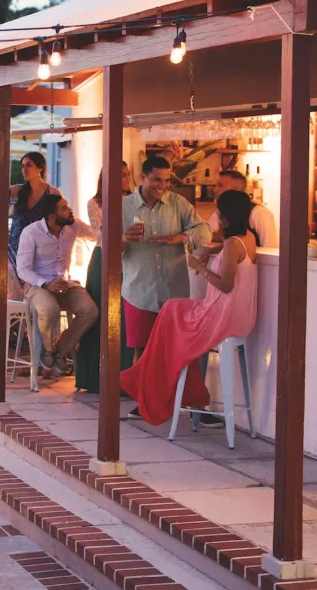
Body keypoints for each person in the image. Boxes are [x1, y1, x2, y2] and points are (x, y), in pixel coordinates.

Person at [119, 191, 258, 425]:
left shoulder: (233, 243)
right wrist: (209, 251)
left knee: (171, 313)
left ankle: (152, 385)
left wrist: (198, 266)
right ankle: (184, 395)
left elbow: (225, 284)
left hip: (223, 314)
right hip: (238, 314)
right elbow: (228, 252)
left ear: (224, 216)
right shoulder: (247, 238)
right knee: (172, 313)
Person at [121, 155, 213, 364]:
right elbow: (106, 246)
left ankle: (171, 397)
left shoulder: (177, 202)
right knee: (142, 353)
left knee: (174, 351)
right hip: (139, 292)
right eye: (156, 179)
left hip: (175, 291)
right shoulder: (123, 207)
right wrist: (125, 238)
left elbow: (205, 229)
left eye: (166, 180)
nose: (162, 186)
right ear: (141, 177)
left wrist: (181, 237)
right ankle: (143, 397)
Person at [16, 194, 98, 375]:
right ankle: (48, 349)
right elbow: (22, 270)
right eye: (64, 208)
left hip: (64, 283)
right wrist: (46, 283)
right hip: (37, 285)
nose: (70, 210)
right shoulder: (31, 232)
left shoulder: (73, 225)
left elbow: (96, 234)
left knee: (90, 310)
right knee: (50, 309)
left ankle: (59, 350)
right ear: (52, 217)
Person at [75, 163, 136, 391]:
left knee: (125, 316)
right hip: (104, 258)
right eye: (120, 175)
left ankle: (124, 380)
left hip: (129, 258)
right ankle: (93, 378)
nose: (125, 179)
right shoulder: (95, 203)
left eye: (127, 175)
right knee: (100, 315)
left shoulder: (134, 200)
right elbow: (100, 233)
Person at [0, 151, 63, 297]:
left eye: (29, 165)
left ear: (40, 168)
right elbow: (2, 194)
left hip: (41, 251)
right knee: (13, 296)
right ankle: (14, 321)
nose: (24, 169)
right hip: (15, 248)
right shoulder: (19, 190)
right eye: (23, 166)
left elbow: (59, 220)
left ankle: (32, 320)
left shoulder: (53, 193)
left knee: (37, 294)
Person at [209, 169, 278, 248]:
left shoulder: (259, 212)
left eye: (220, 185)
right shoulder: (219, 212)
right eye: (216, 186)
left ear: (237, 190)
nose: (215, 190)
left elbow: (270, 249)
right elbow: (207, 236)